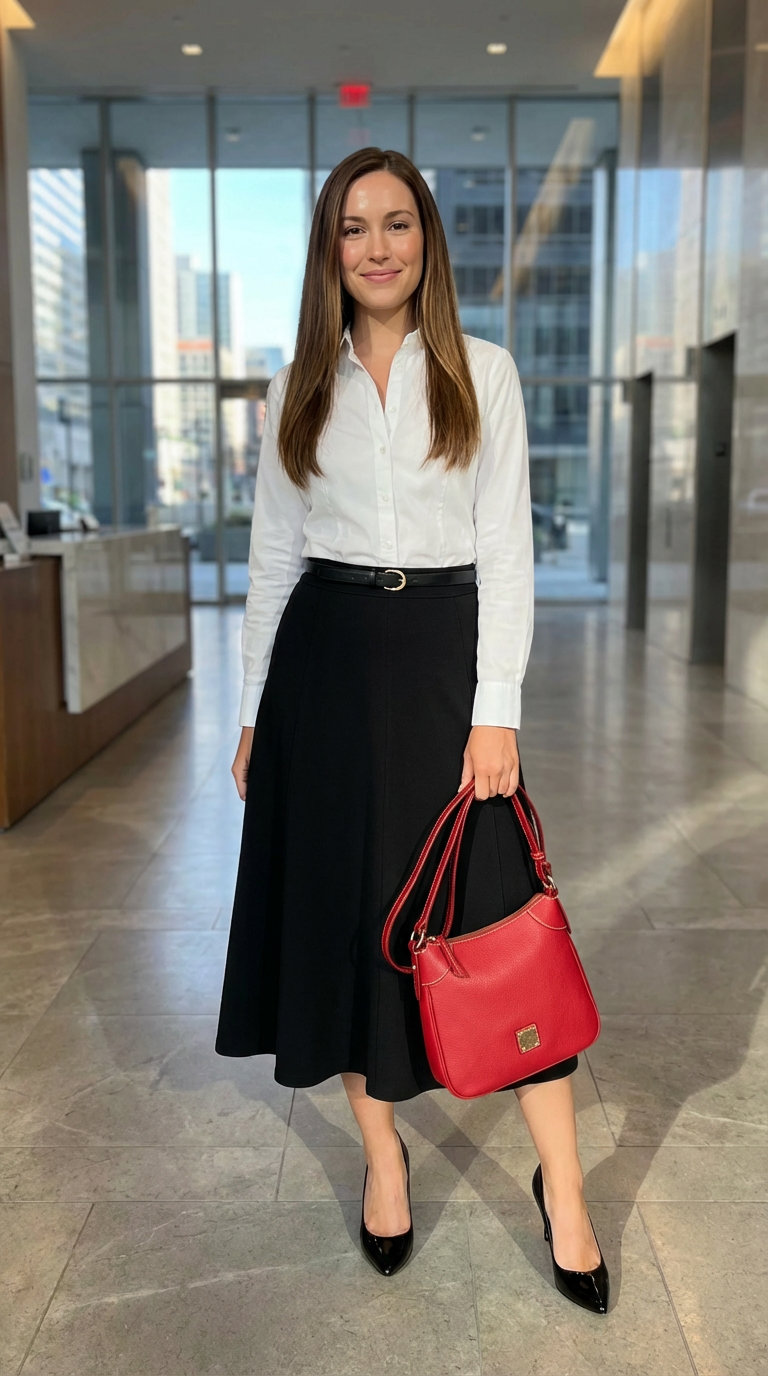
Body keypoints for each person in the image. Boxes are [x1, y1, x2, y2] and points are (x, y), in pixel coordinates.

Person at [215, 146, 608, 1313]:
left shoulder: (478, 371)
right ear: (328, 251)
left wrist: (498, 711)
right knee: (346, 922)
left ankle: (567, 1188)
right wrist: (250, 712)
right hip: (324, 679)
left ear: (426, 240)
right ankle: (384, 1160)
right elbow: (272, 559)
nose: (376, 246)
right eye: (352, 227)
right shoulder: (301, 386)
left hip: (446, 662)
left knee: (500, 921)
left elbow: (509, 553)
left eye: (396, 223)